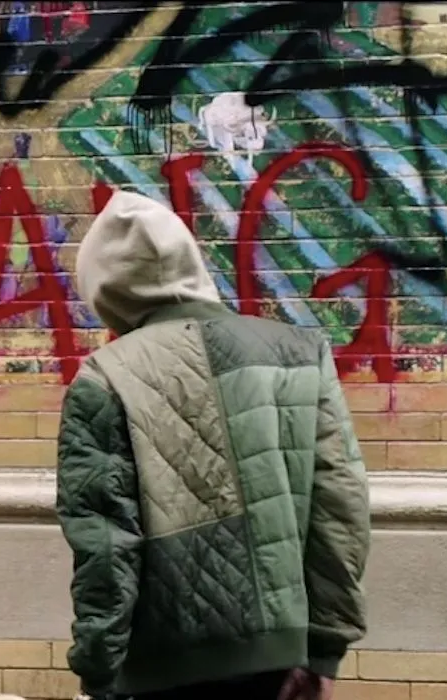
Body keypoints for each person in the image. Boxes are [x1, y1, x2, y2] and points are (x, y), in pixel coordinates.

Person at [56, 191, 371, 700]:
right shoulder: (301, 353)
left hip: (161, 665)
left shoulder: (106, 378)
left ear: (105, 289)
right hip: (281, 661)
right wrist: (323, 651)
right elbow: (341, 509)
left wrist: (98, 668)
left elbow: (106, 545)